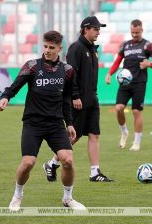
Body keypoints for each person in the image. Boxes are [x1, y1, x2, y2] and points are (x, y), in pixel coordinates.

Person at [0, 31, 85, 211]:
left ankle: (68, 198)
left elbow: (66, 99)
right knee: (28, 163)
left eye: (51, 47)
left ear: (60, 48)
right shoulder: (32, 66)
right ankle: (17, 195)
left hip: (55, 124)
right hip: (33, 123)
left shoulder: (67, 71)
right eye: (45, 46)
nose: (47, 50)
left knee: (67, 160)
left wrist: (69, 123)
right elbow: (15, 86)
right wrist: (6, 97)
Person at [43, 16, 113, 182]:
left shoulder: (93, 49)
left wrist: (92, 95)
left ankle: (95, 172)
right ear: (85, 29)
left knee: (94, 134)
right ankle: (52, 163)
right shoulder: (76, 48)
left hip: (92, 99)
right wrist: (75, 95)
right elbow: (70, 74)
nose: (98, 32)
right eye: (95, 29)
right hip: (79, 99)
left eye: (99, 29)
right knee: (75, 135)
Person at [105, 19, 152, 151]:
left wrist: (150, 64)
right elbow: (117, 62)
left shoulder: (148, 46)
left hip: (139, 83)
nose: (135, 35)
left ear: (142, 30)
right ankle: (124, 132)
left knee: (136, 111)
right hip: (125, 83)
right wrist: (110, 73)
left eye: (137, 32)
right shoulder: (125, 45)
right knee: (119, 108)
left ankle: (136, 143)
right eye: (132, 32)